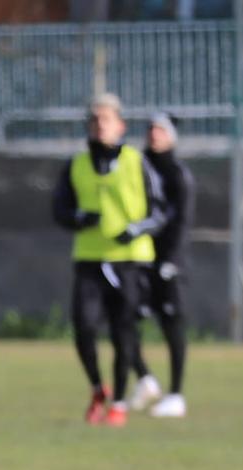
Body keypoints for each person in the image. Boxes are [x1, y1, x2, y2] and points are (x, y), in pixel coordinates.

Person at [52, 93, 168, 427]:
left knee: (124, 332)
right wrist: (77, 218)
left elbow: (161, 210)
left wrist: (138, 229)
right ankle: (96, 388)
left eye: (106, 119)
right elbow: (59, 210)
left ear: (121, 125)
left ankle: (118, 401)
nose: (99, 125)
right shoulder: (76, 164)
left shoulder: (136, 161)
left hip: (130, 261)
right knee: (84, 327)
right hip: (90, 258)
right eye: (94, 120)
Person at [129, 112, 195, 418]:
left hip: (166, 262)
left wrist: (171, 261)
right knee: (123, 321)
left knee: (172, 326)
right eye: (151, 129)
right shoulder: (136, 167)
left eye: (160, 130)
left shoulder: (177, 175)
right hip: (136, 258)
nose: (154, 135)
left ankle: (176, 395)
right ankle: (144, 378)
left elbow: (181, 222)